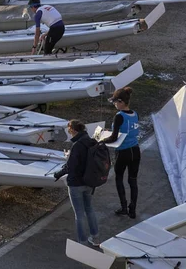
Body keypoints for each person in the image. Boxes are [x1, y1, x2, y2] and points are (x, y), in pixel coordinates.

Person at [53, 120, 100, 246]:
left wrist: (58, 174)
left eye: (69, 130)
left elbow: (70, 167)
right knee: (89, 209)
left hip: (76, 184)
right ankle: (95, 238)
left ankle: (82, 241)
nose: (69, 133)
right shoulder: (91, 142)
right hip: (90, 182)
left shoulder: (77, 145)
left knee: (79, 214)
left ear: (73, 130)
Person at [102, 87, 140, 219]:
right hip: (135, 150)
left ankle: (124, 207)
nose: (114, 104)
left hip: (123, 152)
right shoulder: (135, 114)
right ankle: (133, 209)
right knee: (133, 181)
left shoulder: (119, 116)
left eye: (115, 102)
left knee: (119, 178)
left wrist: (101, 140)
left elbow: (113, 138)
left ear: (121, 102)